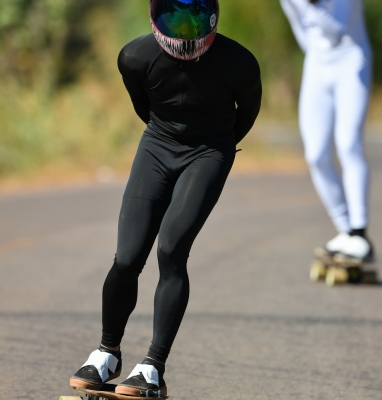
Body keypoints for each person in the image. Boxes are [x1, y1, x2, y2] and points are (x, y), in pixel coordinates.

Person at [70, 0, 262, 397]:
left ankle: (153, 366)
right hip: (157, 145)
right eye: (175, 15)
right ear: (156, 16)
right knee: (127, 258)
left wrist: (214, 152)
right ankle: (107, 354)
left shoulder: (240, 62)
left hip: (209, 150)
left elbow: (247, 115)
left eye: (195, 16)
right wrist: (169, 138)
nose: (186, 28)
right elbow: (146, 109)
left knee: (172, 250)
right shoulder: (135, 57)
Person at [280, 0, 375, 262]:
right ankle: (345, 230)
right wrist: (313, 52)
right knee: (315, 154)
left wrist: (307, 2)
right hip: (318, 64)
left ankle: (360, 232)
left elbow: (337, 30)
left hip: (351, 58)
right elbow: (297, 24)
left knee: (348, 144)